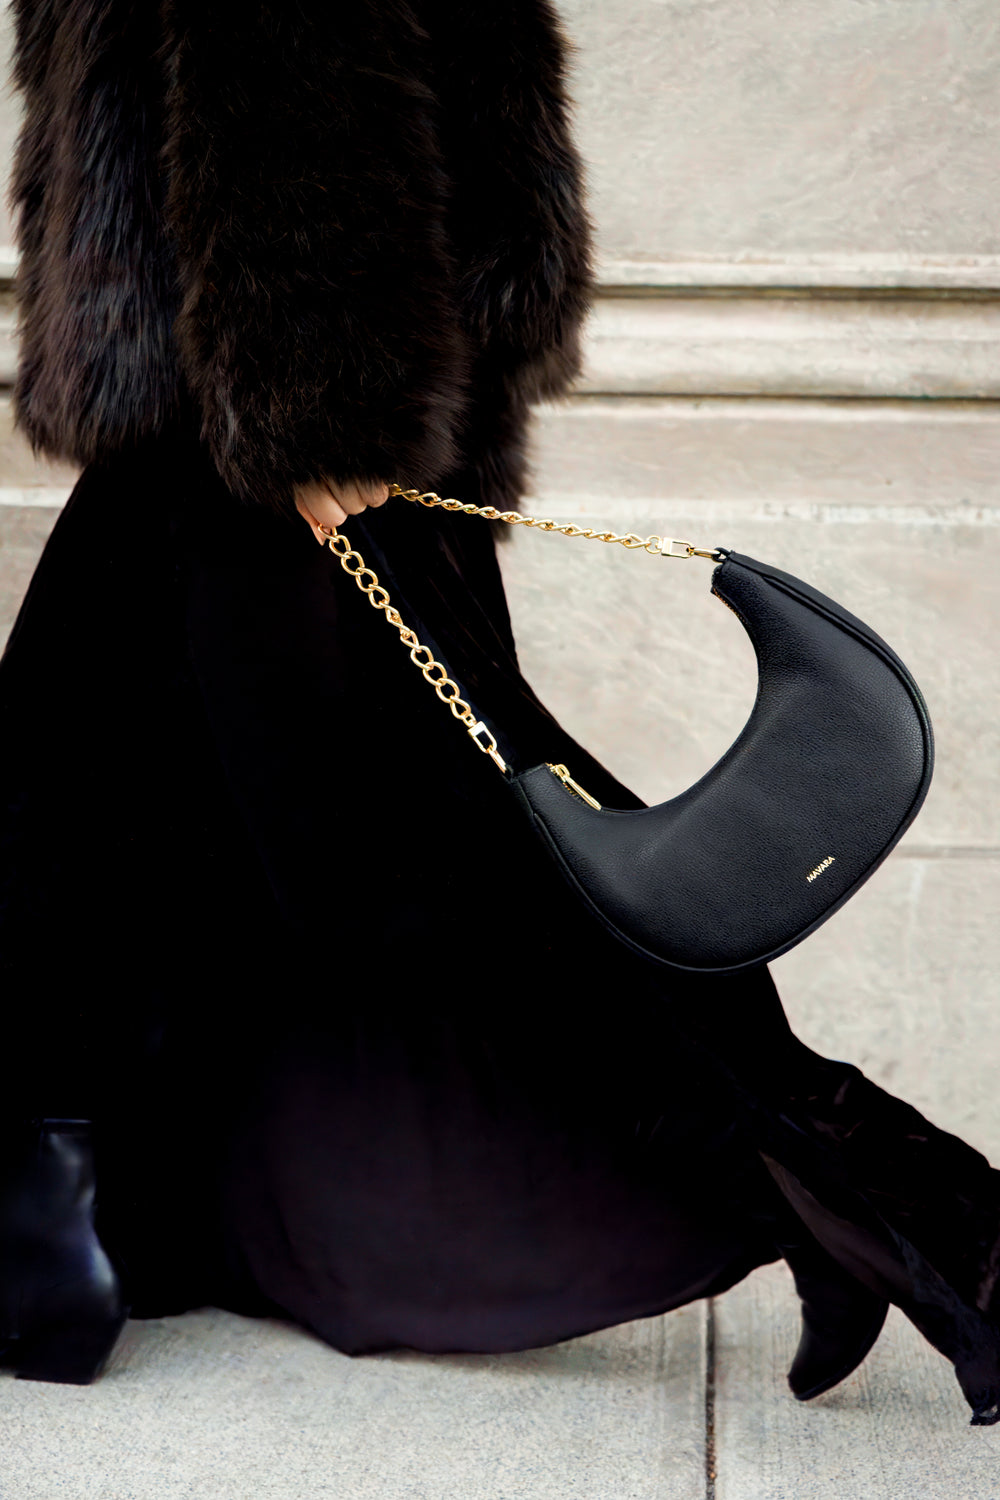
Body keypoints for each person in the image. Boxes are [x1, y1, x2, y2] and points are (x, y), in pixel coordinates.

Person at [2, 0, 1000, 1427]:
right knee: (134, 832)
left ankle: (914, 1214)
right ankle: (864, 1208)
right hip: (235, 416)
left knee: (458, 875)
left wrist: (320, 409)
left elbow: (289, 67)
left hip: (273, 433)